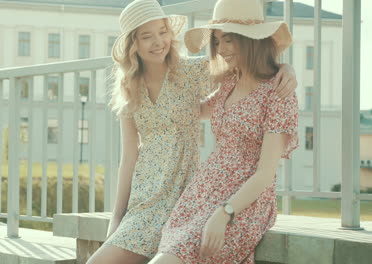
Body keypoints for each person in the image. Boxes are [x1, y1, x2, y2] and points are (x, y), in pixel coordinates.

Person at [87, 0, 297, 263]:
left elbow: (248, 70)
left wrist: (285, 69)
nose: (158, 42)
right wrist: (117, 218)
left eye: (162, 32)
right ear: (133, 45)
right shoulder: (131, 91)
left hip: (190, 192)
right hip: (158, 199)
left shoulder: (193, 72)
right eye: (147, 36)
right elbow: (128, 158)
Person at [149, 0, 299, 263]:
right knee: (168, 254)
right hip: (202, 194)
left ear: (252, 39)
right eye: (217, 41)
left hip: (244, 202)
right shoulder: (229, 80)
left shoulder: (279, 92)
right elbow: (194, 110)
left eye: (229, 40)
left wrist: (224, 213)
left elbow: (265, 174)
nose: (221, 49)